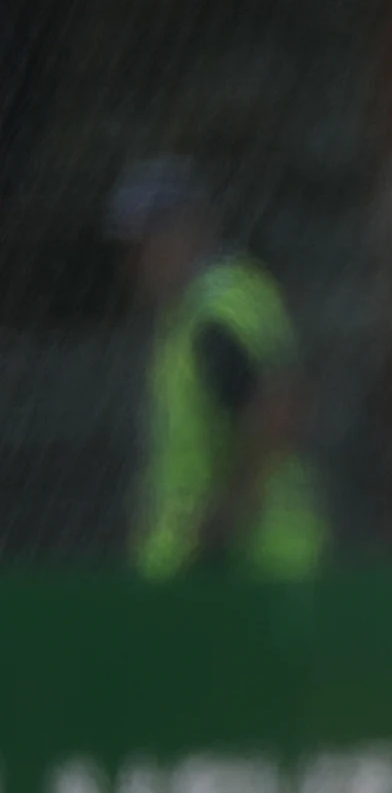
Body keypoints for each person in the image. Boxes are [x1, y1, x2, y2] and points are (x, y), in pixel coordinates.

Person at [107, 158, 327, 582]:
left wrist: (222, 524)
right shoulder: (194, 311)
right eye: (132, 249)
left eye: (150, 240)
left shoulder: (216, 313)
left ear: (193, 229)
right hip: (222, 567)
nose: (138, 262)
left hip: (243, 569)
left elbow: (279, 412)